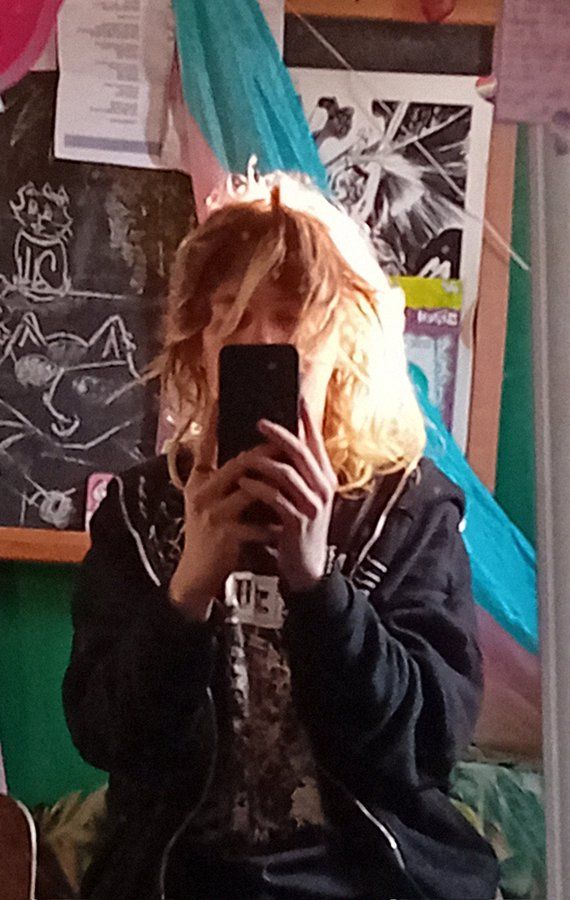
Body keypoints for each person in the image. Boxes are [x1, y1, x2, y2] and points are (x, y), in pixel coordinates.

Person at [63, 168, 499, 900]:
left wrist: (318, 587)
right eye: (230, 315)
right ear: (198, 343)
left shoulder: (408, 510)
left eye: (291, 315)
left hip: (369, 883)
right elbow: (107, 738)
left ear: (343, 343)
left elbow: (426, 748)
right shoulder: (138, 513)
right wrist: (185, 595)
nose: (259, 338)